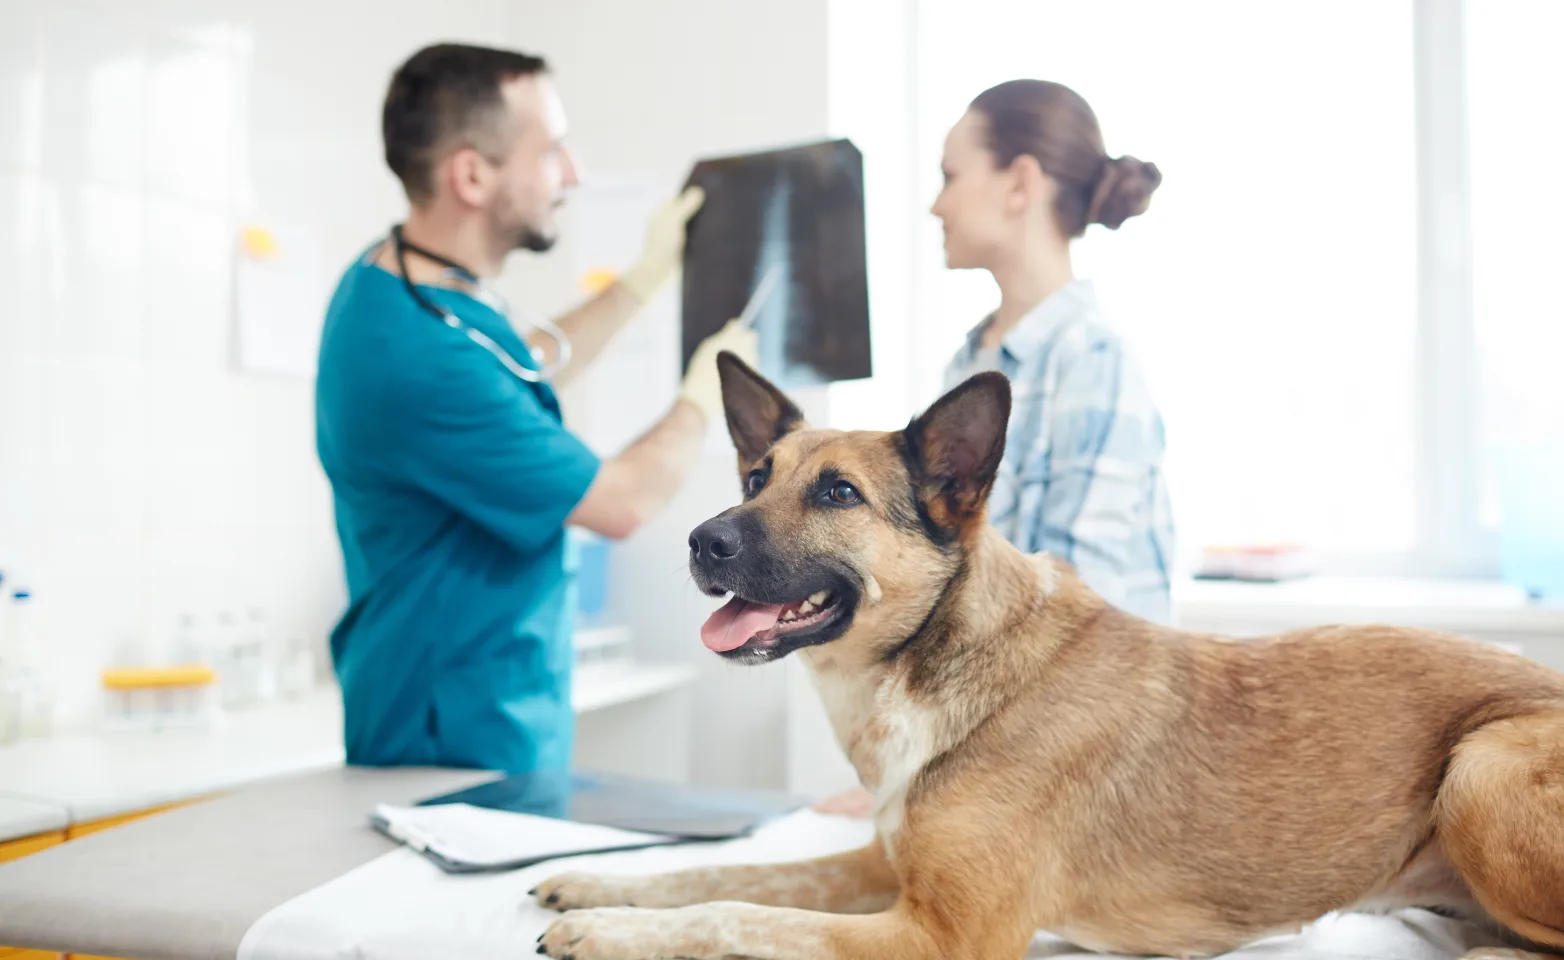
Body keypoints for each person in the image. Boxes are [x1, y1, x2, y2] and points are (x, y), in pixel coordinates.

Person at [314, 43, 756, 773]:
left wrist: (643, 282)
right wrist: (706, 397)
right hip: (446, 743)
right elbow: (621, 503)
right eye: (552, 149)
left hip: (483, 716)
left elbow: (521, 366)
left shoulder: (402, 289)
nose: (574, 172)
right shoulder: (415, 354)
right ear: (472, 174)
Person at [817, 79, 1176, 820]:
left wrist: (935, 776)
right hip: (988, 733)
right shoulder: (970, 366)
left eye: (950, 176)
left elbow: (1089, 612)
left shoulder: (1092, 357)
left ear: (1019, 182)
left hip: (1082, 750)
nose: (936, 204)